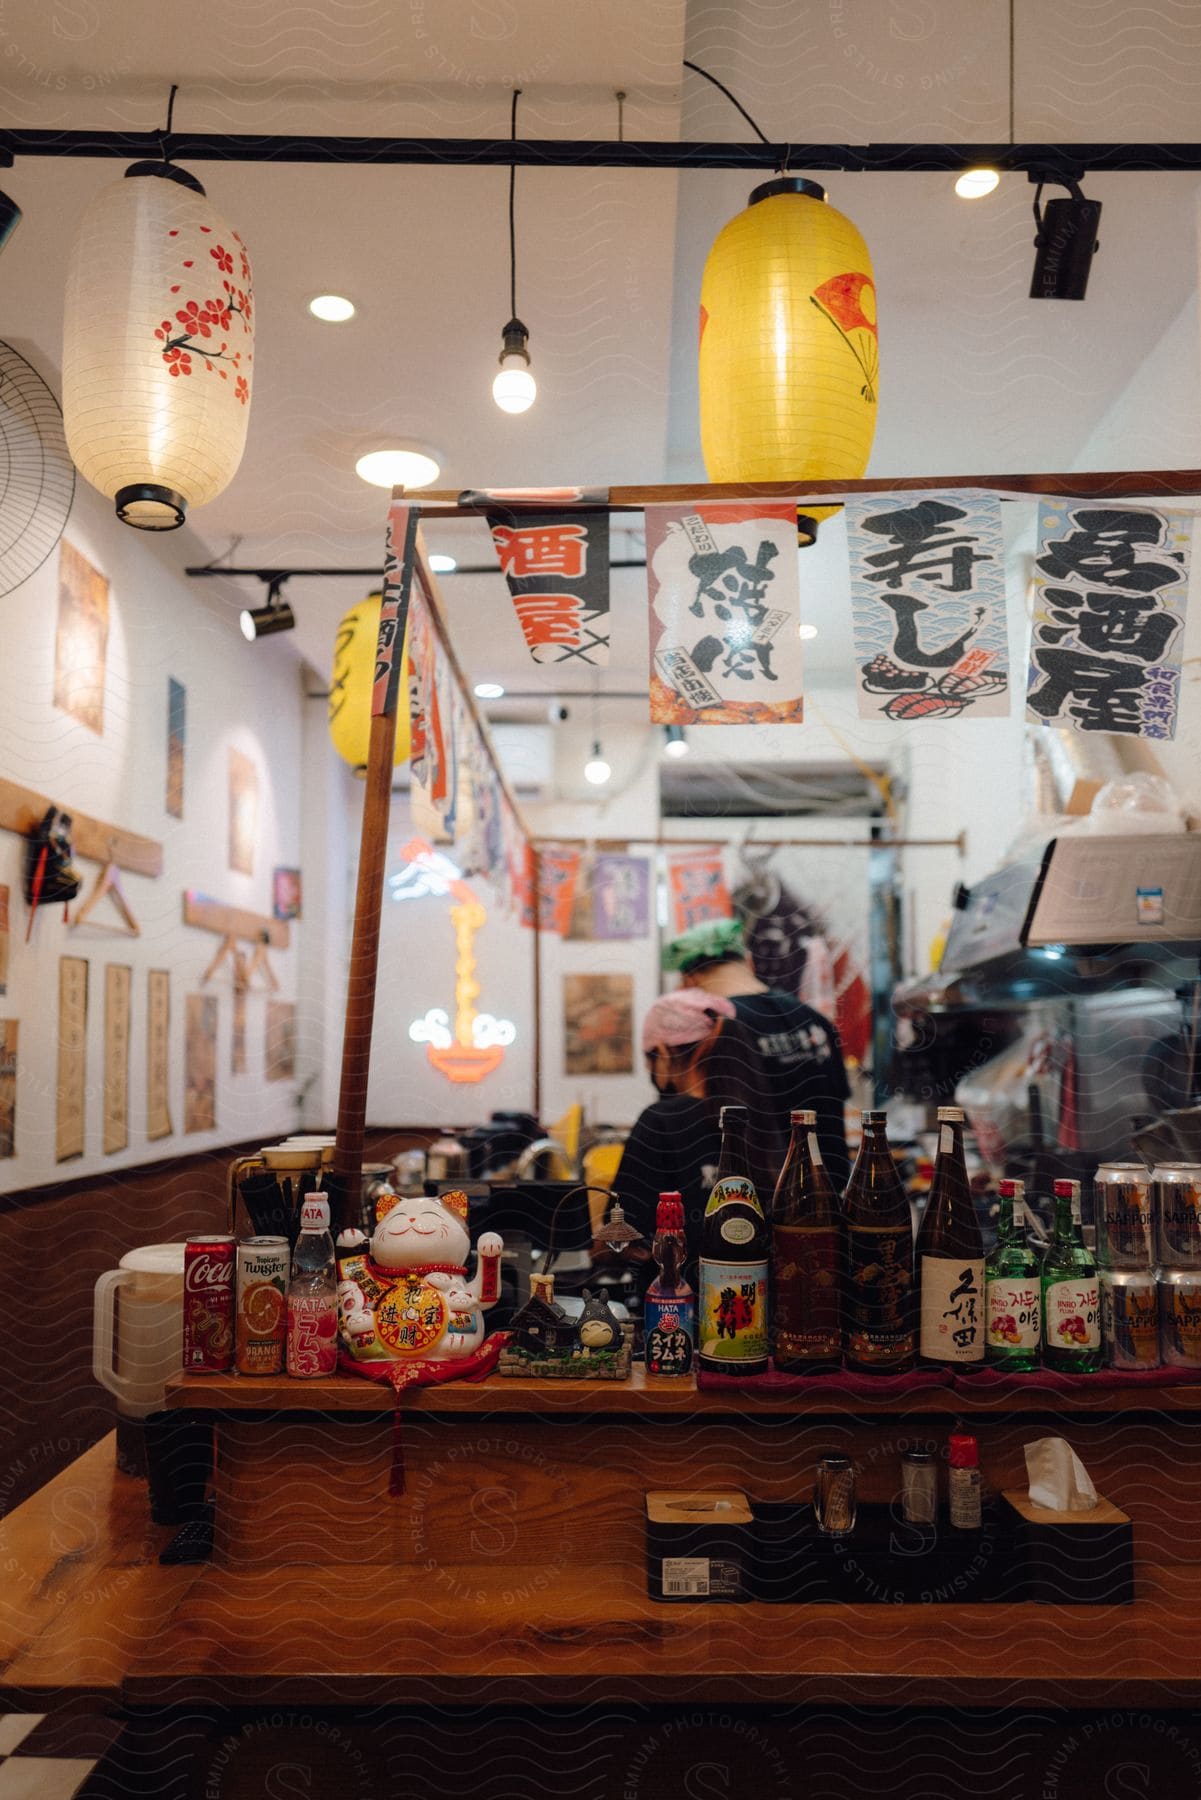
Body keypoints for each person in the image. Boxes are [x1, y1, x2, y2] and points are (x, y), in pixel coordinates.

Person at [663, 916, 851, 1189]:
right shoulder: (815, 1020)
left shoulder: (713, 1032)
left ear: (689, 980)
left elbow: (694, 1122)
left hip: (758, 1200)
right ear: (748, 961)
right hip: (829, 1192)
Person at [612, 986, 783, 1264]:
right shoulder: (760, 1117)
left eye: (649, 1058)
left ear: (664, 1053)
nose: (648, 1069)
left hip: (675, 1303)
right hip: (755, 1296)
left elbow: (621, 1240)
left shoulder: (660, 1121)